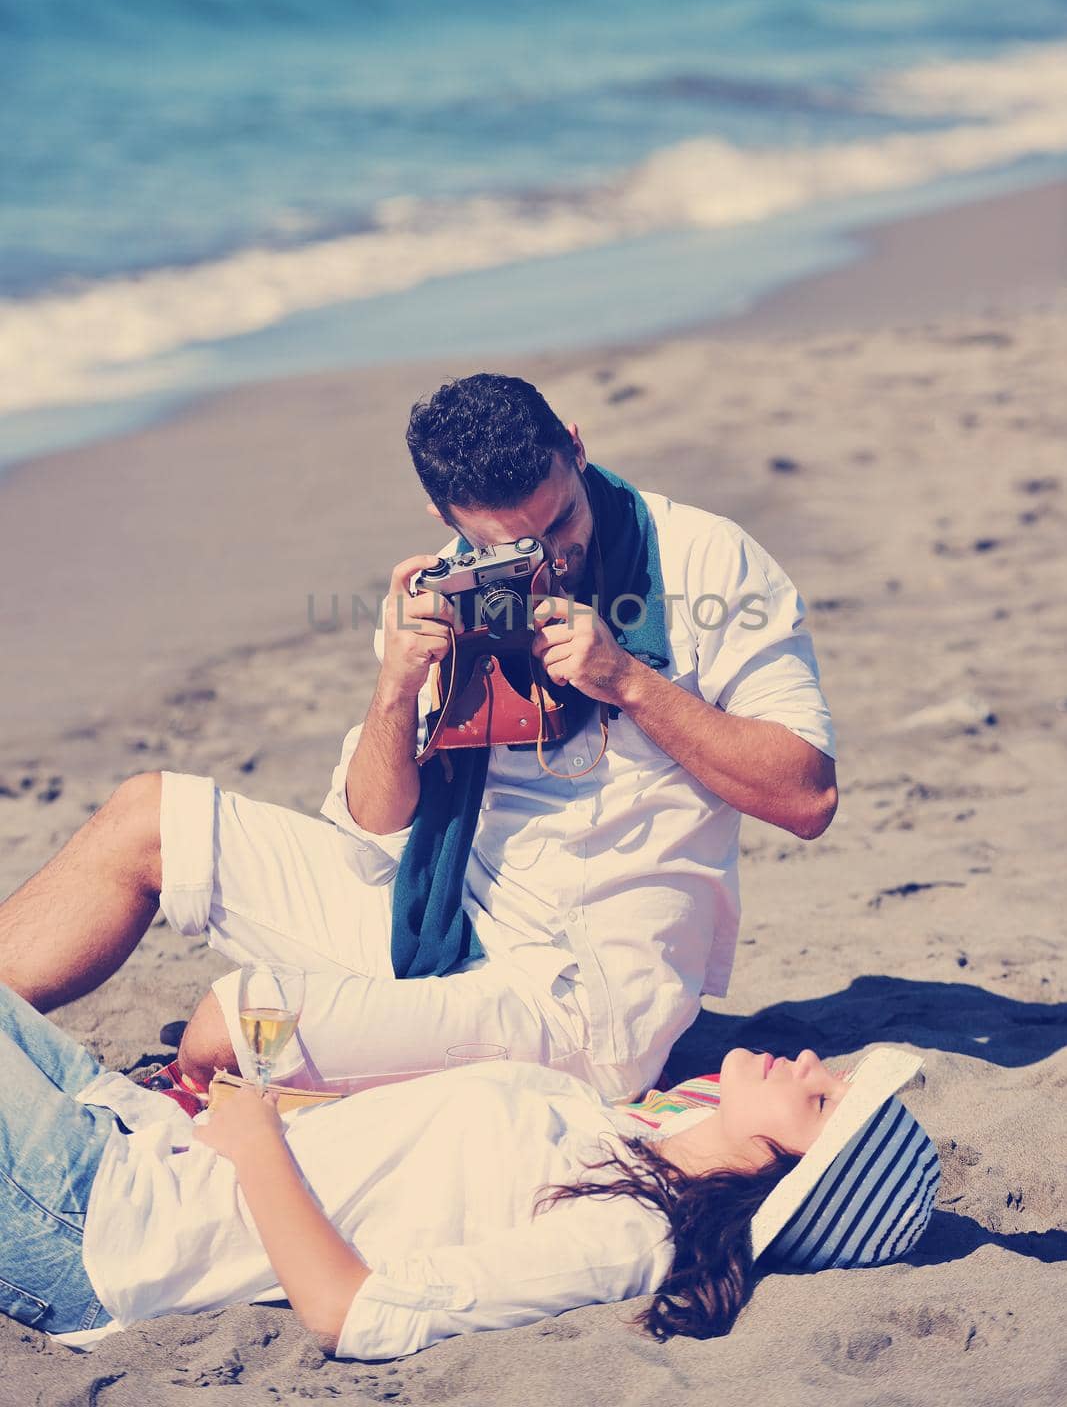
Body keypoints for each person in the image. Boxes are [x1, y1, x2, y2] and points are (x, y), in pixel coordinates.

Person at [0, 374, 838, 1104]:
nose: (548, 557)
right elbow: (373, 823)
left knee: (229, 1031)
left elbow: (806, 797)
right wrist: (398, 681)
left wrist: (627, 679)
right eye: (510, 544)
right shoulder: (448, 591)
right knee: (149, 815)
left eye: (562, 523)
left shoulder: (706, 560)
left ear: (575, 448)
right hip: (433, 921)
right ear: (444, 516)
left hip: (585, 996)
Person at [0, 981, 937, 1357]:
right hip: (134, 1137)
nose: (811, 1065)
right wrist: (270, 1120)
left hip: (104, 1227)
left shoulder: (625, 1236)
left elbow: (360, 1313)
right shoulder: (621, 1136)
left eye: (820, 1100)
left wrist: (257, 1148)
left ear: (779, 1172)